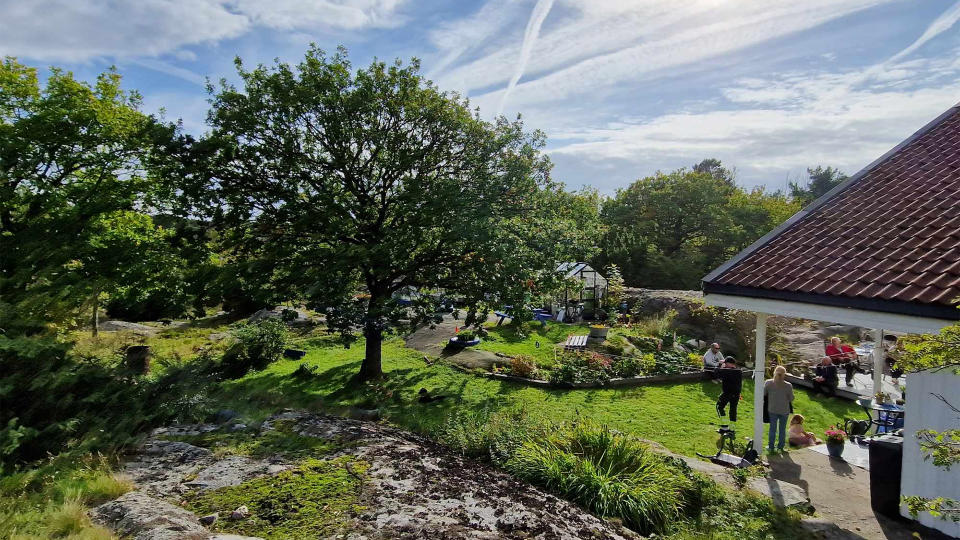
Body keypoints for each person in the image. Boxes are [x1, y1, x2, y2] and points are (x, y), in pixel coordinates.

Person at [764, 365, 794, 453]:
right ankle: (781, 446)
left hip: (772, 409)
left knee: (772, 428)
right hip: (784, 410)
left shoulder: (768, 383)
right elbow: (791, 398)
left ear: (774, 372)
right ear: (784, 374)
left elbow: (764, 394)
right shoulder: (788, 385)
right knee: (782, 429)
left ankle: (771, 446)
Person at [715, 356, 743, 422]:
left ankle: (724, 426)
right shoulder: (738, 371)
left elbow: (716, 373)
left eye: (726, 363)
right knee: (733, 410)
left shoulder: (727, 371)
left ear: (729, 363)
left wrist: (719, 364)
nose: (725, 365)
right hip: (736, 394)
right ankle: (731, 429)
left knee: (719, 407)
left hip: (728, 393)